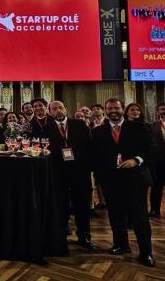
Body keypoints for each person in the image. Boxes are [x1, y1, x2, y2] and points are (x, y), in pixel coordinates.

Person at [91, 98, 155, 267]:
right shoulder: (98, 132)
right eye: (109, 108)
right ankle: (121, 245)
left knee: (140, 217)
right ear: (105, 110)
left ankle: (146, 252)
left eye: (116, 108)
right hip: (111, 182)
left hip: (136, 179)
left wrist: (136, 160)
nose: (113, 110)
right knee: (116, 215)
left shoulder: (139, 127)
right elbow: (95, 157)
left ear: (123, 109)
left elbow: (152, 150)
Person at [47, 101, 94, 250]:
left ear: (66, 109)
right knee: (60, 204)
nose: (58, 111)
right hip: (58, 173)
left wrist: (86, 166)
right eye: (54, 109)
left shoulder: (79, 124)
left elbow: (90, 145)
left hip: (79, 171)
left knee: (82, 204)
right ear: (50, 112)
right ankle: (61, 234)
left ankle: (84, 235)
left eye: (60, 108)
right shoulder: (47, 128)